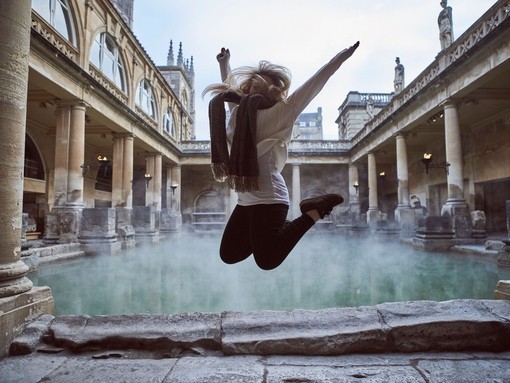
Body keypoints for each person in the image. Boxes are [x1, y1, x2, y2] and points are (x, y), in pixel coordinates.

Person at [203, 41, 359, 270]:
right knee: (229, 254)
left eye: (260, 86)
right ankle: (277, 229)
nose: (251, 90)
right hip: (245, 200)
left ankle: (315, 211)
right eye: (250, 86)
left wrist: (340, 58)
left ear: (272, 90)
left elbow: (314, 84)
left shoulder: (283, 111)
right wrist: (225, 64)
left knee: (267, 260)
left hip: (270, 197)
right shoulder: (237, 113)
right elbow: (231, 86)